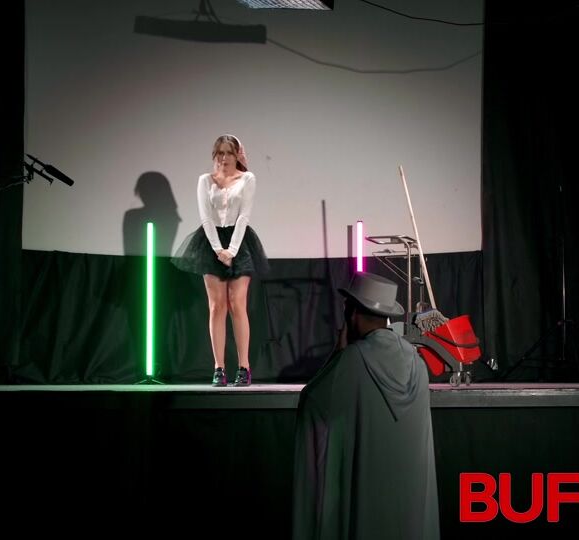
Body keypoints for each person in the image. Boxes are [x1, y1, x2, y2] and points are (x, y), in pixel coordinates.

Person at [292, 271, 439, 540]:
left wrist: (338, 352)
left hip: (368, 504)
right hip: (409, 506)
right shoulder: (417, 364)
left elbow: (311, 401)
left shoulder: (351, 361)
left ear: (352, 313)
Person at [172, 134, 270, 387]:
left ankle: (244, 367)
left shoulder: (247, 179)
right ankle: (219, 368)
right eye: (220, 153)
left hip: (239, 242)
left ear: (237, 155)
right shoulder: (205, 180)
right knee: (217, 306)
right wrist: (218, 249)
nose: (224, 158)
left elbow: (244, 216)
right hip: (211, 241)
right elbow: (205, 217)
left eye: (229, 153)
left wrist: (232, 250)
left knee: (237, 304)